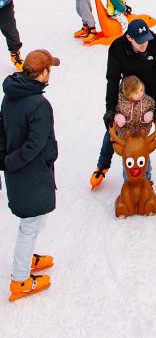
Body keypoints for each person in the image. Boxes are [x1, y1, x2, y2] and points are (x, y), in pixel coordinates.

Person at [90, 19, 156, 190]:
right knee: (114, 127)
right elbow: (112, 79)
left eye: (146, 38)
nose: (144, 43)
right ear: (129, 38)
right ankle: (102, 166)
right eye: (139, 41)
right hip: (131, 91)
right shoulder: (117, 48)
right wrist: (110, 108)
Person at [2, 48, 60, 302]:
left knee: (35, 219)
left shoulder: (11, 95)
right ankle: (20, 280)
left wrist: (6, 160)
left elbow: (2, 129)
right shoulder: (39, 105)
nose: (51, 74)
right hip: (30, 173)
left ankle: (25, 258)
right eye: (50, 69)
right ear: (43, 72)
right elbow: (34, 144)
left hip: (21, 172)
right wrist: (10, 162)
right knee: (30, 224)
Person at [113, 75, 154, 179]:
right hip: (126, 138)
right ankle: (127, 179)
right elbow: (113, 111)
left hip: (141, 136)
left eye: (141, 90)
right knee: (128, 159)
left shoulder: (147, 101)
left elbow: (154, 107)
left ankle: (147, 177)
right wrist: (117, 116)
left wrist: (151, 113)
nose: (140, 93)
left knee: (144, 157)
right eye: (136, 92)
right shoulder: (120, 103)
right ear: (128, 93)